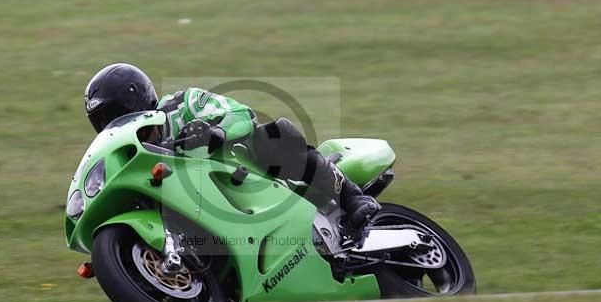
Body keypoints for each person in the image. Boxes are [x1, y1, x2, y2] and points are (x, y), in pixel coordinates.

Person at [83, 63, 380, 231]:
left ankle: (352, 196)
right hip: (212, 214)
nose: (112, 123)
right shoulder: (126, 155)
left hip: (247, 175)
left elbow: (240, 115)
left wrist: (213, 132)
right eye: (102, 120)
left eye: (115, 113)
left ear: (135, 100)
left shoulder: (182, 104)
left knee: (274, 135)